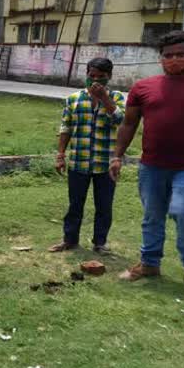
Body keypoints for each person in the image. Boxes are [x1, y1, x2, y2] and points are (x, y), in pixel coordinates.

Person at [111, 31, 184, 282]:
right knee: (152, 216)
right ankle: (149, 264)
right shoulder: (143, 87)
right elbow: (128, 124)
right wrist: (117, 156)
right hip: (152, 166)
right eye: (169, 55)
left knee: (183, 212)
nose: (174, 59)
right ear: (161, 58)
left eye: (181, 54)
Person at [50, 58, 125, 254]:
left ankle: (100, 243)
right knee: (75, 204)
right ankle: (70, 240)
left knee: (104, 206)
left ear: (109, 76)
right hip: (78, 161)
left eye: (101, 77)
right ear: (86, 75)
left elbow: (120, 121)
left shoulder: (117, 98)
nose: (96, 81)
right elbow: (65, 127)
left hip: (106, 163)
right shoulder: (74, 99)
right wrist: (60, 155)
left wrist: (104, 99)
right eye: (92, 76)